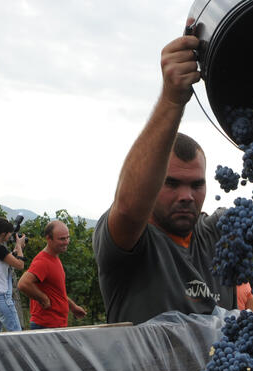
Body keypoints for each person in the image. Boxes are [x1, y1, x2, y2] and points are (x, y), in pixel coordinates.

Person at [92, 26, 239, 325]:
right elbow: (129, 207)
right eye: (171, 183)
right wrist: (172, 101)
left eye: (197, 184)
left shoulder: (217, 236)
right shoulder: (131, 244)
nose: (186, 196)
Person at [18, 220, 86, 328]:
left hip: (55, 325)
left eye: (68, 237)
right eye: (62, 239)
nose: (66, 242)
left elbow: (56, 292)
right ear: (48, 238)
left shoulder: (54, 258)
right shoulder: (42, 261)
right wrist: (43, 298)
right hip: (46, 326)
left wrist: (73, 307)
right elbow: (23, 284)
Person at [0, 216, 27, 333]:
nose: (10, 236)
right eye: (9, 234)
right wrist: (19, 246)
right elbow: (20, 265)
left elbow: (2, 260)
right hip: (1, 297)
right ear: (3, 234)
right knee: (16, 333)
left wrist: (16, 250)